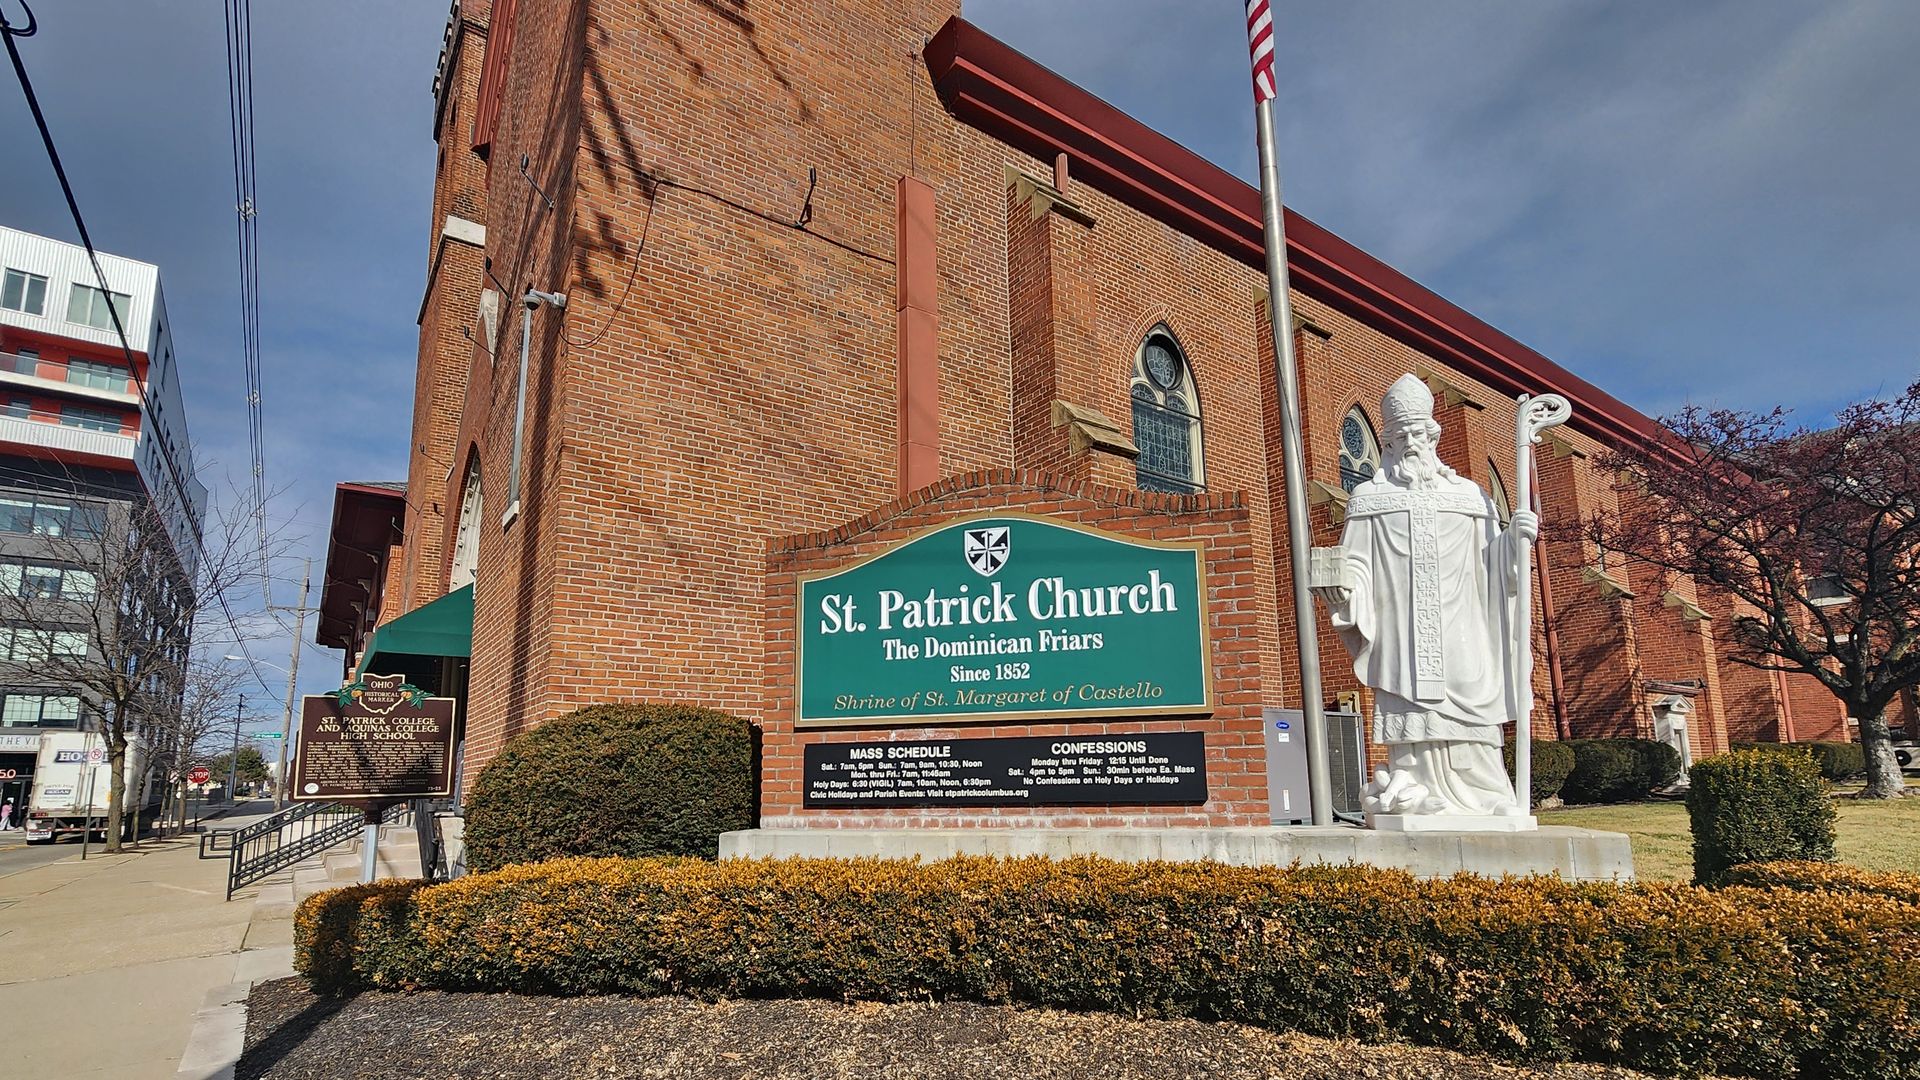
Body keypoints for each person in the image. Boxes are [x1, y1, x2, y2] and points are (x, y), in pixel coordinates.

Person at [1312, 374, 1538, 819]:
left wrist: (1515, 541)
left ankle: (1489, 795)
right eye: (1400, 436)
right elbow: (1355, 560)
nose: (1411, 442)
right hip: (1401, 630)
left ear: (1433, 435)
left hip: (1463, 626)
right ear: (1389, 444)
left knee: (1473, 715)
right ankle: (1413, 789)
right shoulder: (1368, 498)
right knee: (1413, 721)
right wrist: (1345, 589)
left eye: (1418, 433)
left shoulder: (1469, 496)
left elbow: (1493, 566)